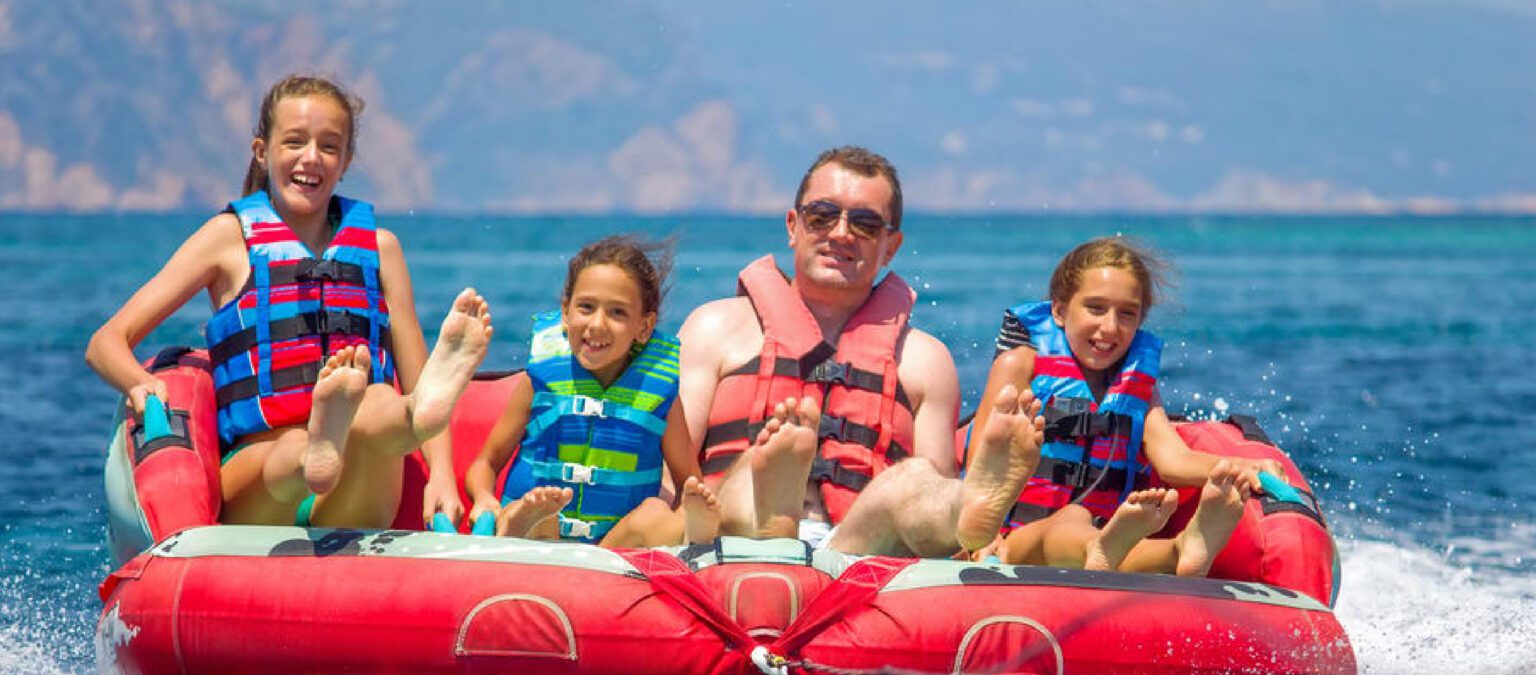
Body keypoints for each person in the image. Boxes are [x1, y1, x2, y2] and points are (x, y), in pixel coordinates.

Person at [86, 74, 491, 530]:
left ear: (346, 162)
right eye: (295, 142)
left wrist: (441, 475)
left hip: (356, 488)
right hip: (264, 481)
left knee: (380, 400)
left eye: (329, 147)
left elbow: (418, 375)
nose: (311, 158)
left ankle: (410, 419)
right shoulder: (227, 239)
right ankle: (318, 447)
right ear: (262, 151)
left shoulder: (382, 250)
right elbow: (106, 342)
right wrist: (138, 383)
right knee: (292, 453)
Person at [827, 236, 1280, 575]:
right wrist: (974, 538)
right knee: (1068, 525)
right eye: (1096, 308)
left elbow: (1172, 458)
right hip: (1011, 540)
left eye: (1127, 314)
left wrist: (1242, 466)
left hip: (1098, 529)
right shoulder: (1021, 364)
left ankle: (1184, 549)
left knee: (1088, 529)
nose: (1110, 327)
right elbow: (982, 457)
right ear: (1060, 311)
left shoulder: (1138, 386)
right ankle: (1119, 550)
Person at [601, 146, 962, 548]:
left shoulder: (925, 361)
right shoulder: (715, 329)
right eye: (822, 216)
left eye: (864, 224)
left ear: (890, 246)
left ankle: (976, 501)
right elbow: (670, 479)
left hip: (858, 549)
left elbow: (929, 505)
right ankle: (773, 514)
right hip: (731, 537)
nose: (841, 232)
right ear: (793, 226)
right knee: (750, 472)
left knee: (913, 482)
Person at [464, 237, 719, 545]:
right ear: (565, 312)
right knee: (533, 510)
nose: (597, 324)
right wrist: (482, 498)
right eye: (586, 307)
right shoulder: (540, 380)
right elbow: (485, 464)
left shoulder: (660, 395)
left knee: (654, 512)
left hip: (613, 546)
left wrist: (690, 509)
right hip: (541, 531)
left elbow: (688, 482)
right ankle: (527, 523)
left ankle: (686, 532)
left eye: (617, 313)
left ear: (644, 326)